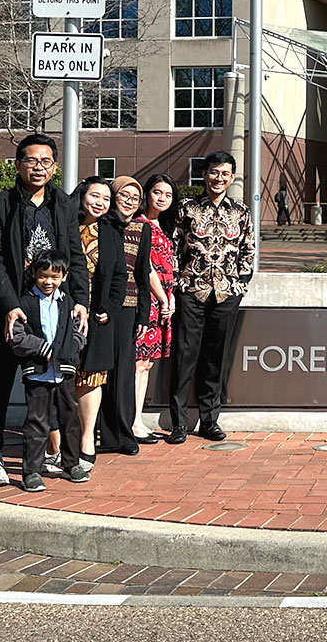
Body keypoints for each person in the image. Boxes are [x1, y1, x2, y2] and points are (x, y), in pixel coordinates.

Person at [0, 133, 87, 489]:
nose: (38, 167)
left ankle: (60, 458)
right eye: (31, 161)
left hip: (53, 310)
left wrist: (80, 299)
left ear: (54, 167)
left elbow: (74, 256)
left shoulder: (64, 205)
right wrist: (9, 306)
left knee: (58, 387)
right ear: (19, 164)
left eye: (46, 162)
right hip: (13, 310)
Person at [167, 150, 255, 444]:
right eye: (214, 172)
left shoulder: (241, 211)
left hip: (226, 293)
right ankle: (179, 424)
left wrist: (239, 284)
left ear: (232, 177)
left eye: (225, 174)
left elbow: (248, 250)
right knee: (184, 356)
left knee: (215, 358)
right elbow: (174, 246)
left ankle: (209, 420)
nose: (219, 178)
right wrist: (180, 282)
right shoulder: (187, 209)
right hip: (191, 290)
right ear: (204, 175)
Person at [7, 252, 90, 492]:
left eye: (54, 276)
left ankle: (71, 463)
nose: (48, 282)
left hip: (63, 372)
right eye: (43, 276)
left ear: (64, 276)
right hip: (37, 372)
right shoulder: (25, 303)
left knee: (70, 419)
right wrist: (45, 350)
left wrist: (70, 349)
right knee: (37, 423)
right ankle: (31, 471)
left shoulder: (68, 303)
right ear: (34, 274)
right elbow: (17, 337)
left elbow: (79, 331)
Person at [96, 176, 152, 457]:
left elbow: (142, 274)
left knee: (123, 372)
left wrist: (144, 315)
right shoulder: (102, 223)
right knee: (97, 371)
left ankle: (123, 433)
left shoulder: (143, 230)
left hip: (129, 308)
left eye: (135, 197)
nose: (130, 201)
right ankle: (98, 432)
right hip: (101, 307)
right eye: (124, 195)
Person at [72, 176, 123, 469]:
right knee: (64, 375)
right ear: (82, 196)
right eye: (95, 196)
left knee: (91, 377)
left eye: (106, 198)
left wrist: (109, 307)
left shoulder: (111, 233)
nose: (101, 202)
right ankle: (62, 439)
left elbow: (119, 277)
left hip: (98, 317)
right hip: (65, 315)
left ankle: (87, 439)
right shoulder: (65, 227)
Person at [132, 174, 179, 442]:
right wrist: (162, 298)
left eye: (168, 195)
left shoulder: (164, 226)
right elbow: (145, 267)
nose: (162, 198)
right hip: (147, 301)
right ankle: (133, 422)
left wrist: (169, 298)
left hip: (163, 301)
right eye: (157, 192)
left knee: (146, 364)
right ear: (147, 194)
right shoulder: (140, 225)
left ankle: (138, 420)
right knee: (138, 364)